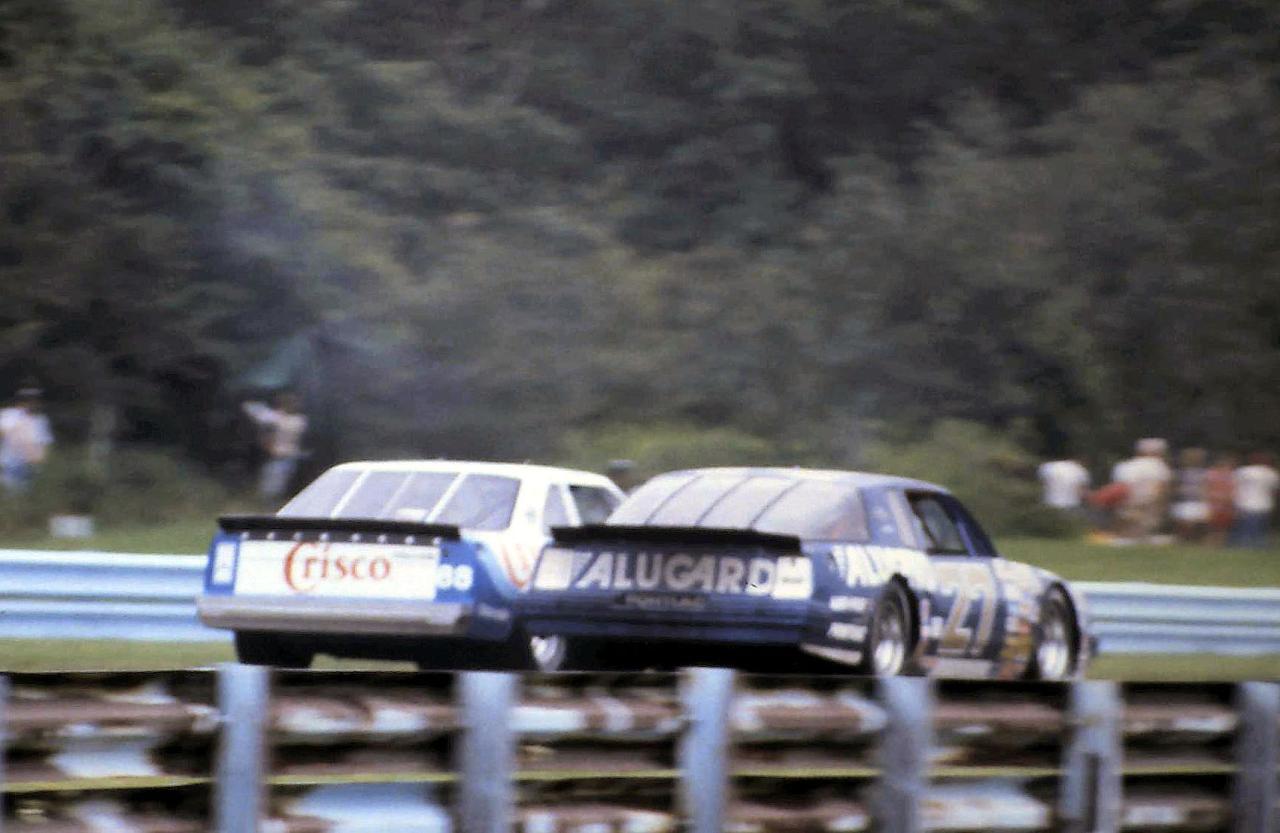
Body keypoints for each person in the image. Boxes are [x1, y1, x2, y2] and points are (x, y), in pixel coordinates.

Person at [242, 392, 307, 501]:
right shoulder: (286, 418)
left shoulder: (297, 420)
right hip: (280, 456)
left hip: (284, 456)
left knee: (274, 487)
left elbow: (260, 415)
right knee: (272, 485)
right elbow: (251, 408)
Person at [1113, 438, 1173, 543]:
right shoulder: (1159, 465)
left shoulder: (1125, 465)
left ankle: (1126, 539)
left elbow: (1119, 487)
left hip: (1128, 499)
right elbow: (1161, 487)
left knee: (1130, 523)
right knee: (1145, 525)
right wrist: (1161, 503)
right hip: (1149, 500)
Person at [0, 388, 53, 493]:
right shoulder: (9, 415)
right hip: (10, 465)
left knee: (28, 495)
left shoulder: (41, 420)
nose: (32, 403)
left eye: (35, 400)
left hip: (32, 467)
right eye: (28, 400)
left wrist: (41, 461)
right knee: (11, 494)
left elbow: (44, 444)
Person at [1231, 452, 1278, 549]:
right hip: (1264, 503)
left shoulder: (1243, 471)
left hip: (1245, 502)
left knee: (1245, 525)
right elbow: (1274, 491)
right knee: (1261, 526)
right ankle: (1259, 544)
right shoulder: (1271, 473)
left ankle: (1243, 543)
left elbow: (1233, 485)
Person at [1170, 447, 1210, 543]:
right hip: (1183, 501)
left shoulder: (1205, 473)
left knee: (1197, 524)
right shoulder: (1179, 473)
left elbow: (1206, 488)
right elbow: (1174, 488)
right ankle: (1183, 540)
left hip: (1197, 501)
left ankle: (1195, 540)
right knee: (1183, 524)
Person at [1203, 453, 1237, 547]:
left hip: (1226, 503)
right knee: (1211, 525)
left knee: (1223, 526)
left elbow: (1234, 489)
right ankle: (1210, 543)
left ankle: (1220, 543)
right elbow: (1206, 487)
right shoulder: (1211, 473)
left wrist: (1230, 500)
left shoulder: (1232, 475)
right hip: (1213, 503)